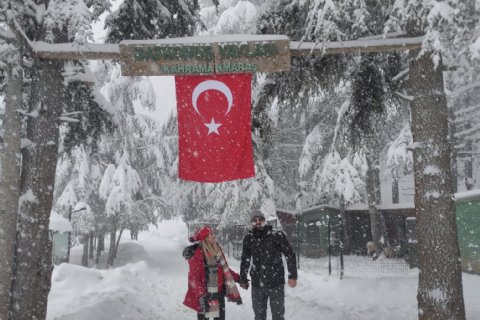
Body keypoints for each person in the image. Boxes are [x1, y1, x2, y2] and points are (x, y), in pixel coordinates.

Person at [239, 209, 297, 320]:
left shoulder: (277, 235)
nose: (258, 222)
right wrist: (243, 278)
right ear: (251, 223)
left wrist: (292, 276)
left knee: (278, 316)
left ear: (264, 220)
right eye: (254, 220)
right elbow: (245, 259)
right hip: (257, 284)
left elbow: (290, 254)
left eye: (260, 219)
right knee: (259, 316)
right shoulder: (249, 238)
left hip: (276, 283)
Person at [183, 226, 243, 320]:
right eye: (211, 234)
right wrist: (201, 297)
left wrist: (239, 278)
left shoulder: (217, 250)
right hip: (205, 296)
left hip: (218, 294)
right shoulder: (197, 254)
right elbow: (194, 279)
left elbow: (226, 270)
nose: (214, 235)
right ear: (205, 237)